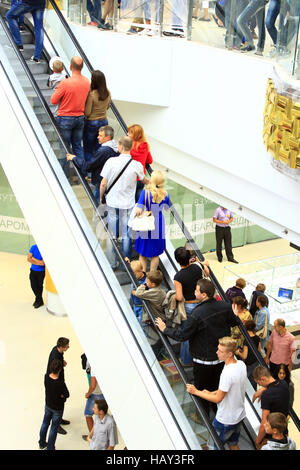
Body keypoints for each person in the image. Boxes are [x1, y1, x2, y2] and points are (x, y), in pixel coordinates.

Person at [156, 278, 239, 416]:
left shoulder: (197, 314)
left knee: (201, 389)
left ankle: (202, 415)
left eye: (196, 290)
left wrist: (165, 329)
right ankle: (217, 410)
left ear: (204, 294)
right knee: (217, 387)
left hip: (203, 360)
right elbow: (233, 322)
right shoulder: (224, 306)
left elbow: (183, 335)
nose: (194, 292)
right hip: (221, 358)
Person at [187, 337, 247, 450]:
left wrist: (196, 392)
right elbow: (229, 389)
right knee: (233, 444)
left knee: (213, 447)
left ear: (229, 354)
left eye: (220, 351)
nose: (216, 352)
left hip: (225, 420)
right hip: (239, 415)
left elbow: (218, 399)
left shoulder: (227, 373)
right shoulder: (240, 365)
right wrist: (211, 392)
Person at [100, 136, 148, 268]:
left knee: (112, 233)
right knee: (126, 234)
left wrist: (101, 197)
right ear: (131, 147)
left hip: (112, 202)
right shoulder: (136, 165)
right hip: (128, 204)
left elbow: (103, 183)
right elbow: (144, 180)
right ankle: (126, 263)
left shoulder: (110, 161)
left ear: (120, 147)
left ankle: (112, 263)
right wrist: (155, 184)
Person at [51, 56, 90, 178]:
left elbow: (53, 100)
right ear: (82, 67)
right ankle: (82, 174)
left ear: (70, 67)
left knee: (64, 148)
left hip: (65, 118)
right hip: (80, 118)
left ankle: (65, 176)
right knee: (78, 146)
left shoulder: (65, 83)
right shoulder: (87, 82)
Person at [173, 246, 210, 366]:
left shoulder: (178, 277)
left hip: (189, 307)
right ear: (189, 258)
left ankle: (186, 360)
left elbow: (179, 297)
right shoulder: (197, 266)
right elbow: (207, 273)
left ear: (177, 261)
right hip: (203, 304)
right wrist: (202, 263)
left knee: (187, 333)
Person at [67, 125, 119, 203]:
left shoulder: (103, 151)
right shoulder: (117, 148)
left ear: (108, 137)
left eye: (101, 135)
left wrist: (74, 158)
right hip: (113, 182)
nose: (98, 137)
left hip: (102, 183)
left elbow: (88, 166)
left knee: (99, 207)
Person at [134, 170, 171, 272]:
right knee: (155, 254)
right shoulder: (165, 194)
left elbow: (138, 210)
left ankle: (144, 273)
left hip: (146, 223)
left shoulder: (145, 192)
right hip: (157, 223)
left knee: (142, 252)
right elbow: (168, 208)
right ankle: (152, 274)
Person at [252, 365, 290, 449]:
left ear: (262, 379)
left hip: (271, 437)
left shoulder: (267, 395)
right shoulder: (284, 383)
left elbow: (264, 423)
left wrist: (258, 441)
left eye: (259, 383)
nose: (260, 386)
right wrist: (264, 388)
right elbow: (274, 385)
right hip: (284, 432)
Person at [38, 359, 70, 450]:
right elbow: (67, 394)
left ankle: (42, 443)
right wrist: (62, 396)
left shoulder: (46, 377)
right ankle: (50, 447)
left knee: (45, 423)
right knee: (54, 428)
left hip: (48, 405)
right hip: (58, 408)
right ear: (60, 370)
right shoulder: (60, 383)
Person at [83, 70, 111, 163]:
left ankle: (89, 174)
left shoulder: (92, 95)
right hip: (104, 121)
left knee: (88, 148)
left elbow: (87, 112)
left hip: (92, 122)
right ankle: (97, 171)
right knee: (99, 148)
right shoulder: (108, 93)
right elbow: (107, 107)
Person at [46, 338, 70, 435]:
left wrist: (62, 362)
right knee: (58, 402)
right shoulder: (56, 356)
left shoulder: (57, 351)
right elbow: (54, 369)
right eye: (67, 345)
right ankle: (56, 423)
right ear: (62, 347)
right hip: (56, 381)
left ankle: (59, 419)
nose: (68, 346)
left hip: (58, 379)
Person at [127, 124, 153, 202]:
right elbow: (150, 161)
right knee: (138, 201)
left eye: (130, 133)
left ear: (135, 135)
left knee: (129, 201)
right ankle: (138, 213)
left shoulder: (128, 146)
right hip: (141, 178)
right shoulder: (145, 145)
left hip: (130, 178)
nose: (127, 134)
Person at [235, 319, 261, 390]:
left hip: (249, 364)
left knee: (245, 380)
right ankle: (254, 392)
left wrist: (238, 352)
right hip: (256, 362)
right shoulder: (257, 338)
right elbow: (259, 350)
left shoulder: (247, 340)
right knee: (254, 379)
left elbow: (244, 356)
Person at [82, 368, 105, 441]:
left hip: (96, 394)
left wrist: (88, 394)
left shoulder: (94, 368)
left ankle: (93, 437)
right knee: (101, 415)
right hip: (104, 394)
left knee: (88, 414)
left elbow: (93, 385)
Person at [27, 243, 45, 308]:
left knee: (39, 286)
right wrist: (38, 262)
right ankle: (40, 300)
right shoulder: (33, 247)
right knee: (33, 286)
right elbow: (28, 259)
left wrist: (33, 259)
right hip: (33, 270)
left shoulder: (45, 249)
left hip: (41, 272)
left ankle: (38, 301)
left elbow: (43, 263)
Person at [130, 259, 146, 325]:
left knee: (140, 321)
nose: (134, 276)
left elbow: (144, 293)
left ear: (141, 270)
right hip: (134, 303)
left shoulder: (146, 281)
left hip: (142, 305)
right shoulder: (136, 278)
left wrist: (135, 292)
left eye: (135, 273)